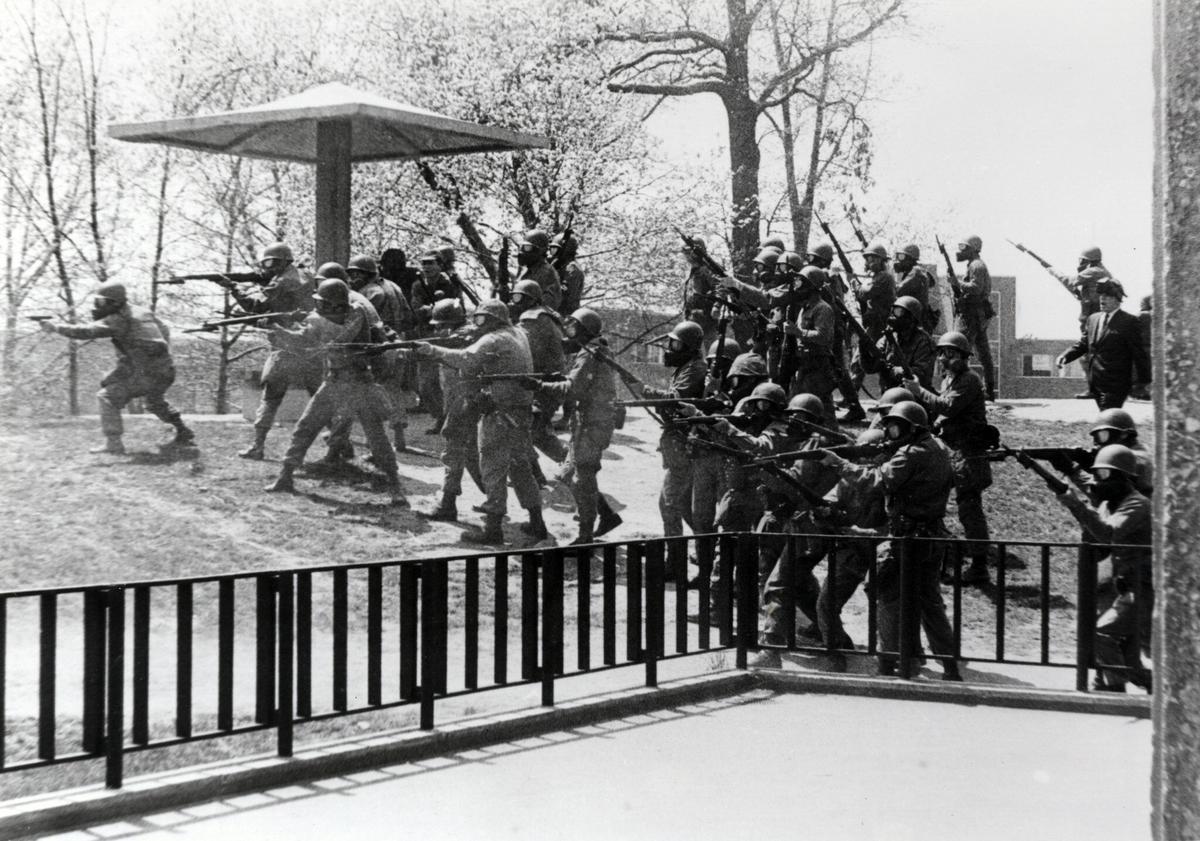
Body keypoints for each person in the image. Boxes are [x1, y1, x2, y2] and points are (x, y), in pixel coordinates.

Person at [821, 401, 962, 681]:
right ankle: (948, 666)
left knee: (885, 593)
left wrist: (840, 464)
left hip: (908, 539)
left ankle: (889, 664)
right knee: (929, 603)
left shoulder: (912, 453)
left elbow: (877, 480)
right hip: (932, 535)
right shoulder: (938, 448)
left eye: (895, 427)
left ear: (911, 427)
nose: (890, 433)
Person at [411, 300, 546, 545]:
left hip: (500, 412)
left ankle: (493, 529)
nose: (477, 324)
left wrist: (431, 350)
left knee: (492, 466)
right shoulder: (517, 333)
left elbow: (466, 358)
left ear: (493, 320)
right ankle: (537, 523)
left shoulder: (494, 339)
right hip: (521, 410)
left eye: (481, 319)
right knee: (520, 466)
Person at [264, 278, 407, 505]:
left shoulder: (356, 313)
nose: (318, 307)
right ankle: (285, 477)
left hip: (360, 383)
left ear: (334, 304)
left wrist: (313, 320)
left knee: (376, 437)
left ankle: (395, 487)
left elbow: (341, 338)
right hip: (334, 381)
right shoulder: (321, 319)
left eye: (322, 303)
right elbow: (305, 341)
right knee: (305, 427)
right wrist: (279, 331)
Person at [39, 281, 194, 454]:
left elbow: (87, 332)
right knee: (153, 401)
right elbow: (164, 330)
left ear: (116, 302)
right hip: (165, 370)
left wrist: (55, 327)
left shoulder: (120, 318)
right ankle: (183, 432)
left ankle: (113, 444)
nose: (98, 306)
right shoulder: (141, 312)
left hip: (146, 372)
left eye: (102, 302)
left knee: (107, 397)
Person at [1049, 444, 1152, 693]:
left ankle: (1115, 691)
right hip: (1127, 586)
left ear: (1123, 478)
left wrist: (1072, 501)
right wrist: (1066, 470)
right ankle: (1153, 686)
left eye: (1104, 475)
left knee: (1102, 634)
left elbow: (1107, 533)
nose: (1098, 481)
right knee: (1130, 662)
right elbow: (1088, 486)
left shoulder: (1136, 504)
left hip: (1144, 586)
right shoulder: (1112, 500)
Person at [903, 331, 993, 585]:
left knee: (969, 508)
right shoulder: (949, 380)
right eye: (941, 353)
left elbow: (948, 407)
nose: (944, 359)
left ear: (964, 357)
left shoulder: (969, 380)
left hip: (968, 453)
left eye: (950, 354)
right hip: (952, 450)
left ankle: (979, 566)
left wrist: (918, 391)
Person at [533, 308, 623, 544]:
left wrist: (540, 385)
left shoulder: (591, 353)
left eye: (574, 327)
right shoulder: (592, 350)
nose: (569, 332)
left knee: (582, 478)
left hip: (593, 424)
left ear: (584, 330)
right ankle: (605, 515)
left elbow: (573, 389)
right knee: (568, 474)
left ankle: (585, 536)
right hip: (589, 422)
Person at [232, 242, 322, 460]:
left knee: (270, 397)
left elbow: (257, 306)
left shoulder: (281, 281)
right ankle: (340, 445)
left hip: (284, 346)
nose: (268, 267)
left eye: (271, 262)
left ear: (284, 262)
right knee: (320, 398)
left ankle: (257, 446)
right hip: (309, 344)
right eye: (266, 263)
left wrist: (234, 290)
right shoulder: (306, 276)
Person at [638, 320, 708, 539]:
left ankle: (674, 565)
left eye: (676, 345)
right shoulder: (687, 367)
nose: (670, 349)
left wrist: (644, 390)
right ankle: (707, 549)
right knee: (685, 507)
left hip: (686, 444)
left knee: (669, 504)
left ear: (689, 348)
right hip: (680, 444)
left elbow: (675, 400)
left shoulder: (695, 368)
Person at [422, 300, 486, 522]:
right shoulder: (464, 336)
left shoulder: (465, 337)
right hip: (463, 399)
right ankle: (494, 499)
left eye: (440, 325)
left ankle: (448, 504)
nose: (437, 330)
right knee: (468, 453)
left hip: (465, 399)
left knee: (453, 449)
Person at [347, 254, 415, 452]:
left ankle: (374, 440)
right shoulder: (394, 287)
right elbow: (409, 315)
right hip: (398, 341)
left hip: (380, 345)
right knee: (394, 390)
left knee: (373, 389)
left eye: (355, 274)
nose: (352, 278)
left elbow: (365, 320)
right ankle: (399, 437)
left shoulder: (370, 292)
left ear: (366, 274)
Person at [1056, 279, 1151, 410]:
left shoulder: (1129, 321)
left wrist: (1144, 382)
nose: (1102, 299)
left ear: (1117, 299)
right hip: (1096, 383)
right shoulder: (1093, 319)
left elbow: (1138, 353)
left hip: (1117, 384)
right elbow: (1084, 344)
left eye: (1107, 296)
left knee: (1108, 418)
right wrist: (1065, 356)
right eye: (1101, 295)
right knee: (1108, 420)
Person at [509, 279, 568, 481]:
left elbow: (520, 347)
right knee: (533, 430)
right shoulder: (547, 315)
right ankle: (541, 473)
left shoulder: (532, 318)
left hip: (542, 384)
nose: (514, 302)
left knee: (531, 430)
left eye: (518, 297)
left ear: (529, 299)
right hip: (550, 381)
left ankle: (568, 464)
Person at [807, 242, 867, 423]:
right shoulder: (827, 276)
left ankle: (854, 407)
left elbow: (832, 302)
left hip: (831, 328)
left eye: (812, 258)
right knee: (835, 367)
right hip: (830, 326)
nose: (809, 261)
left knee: (837, 367)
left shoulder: (828, 277)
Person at [786, 265, 840, 430]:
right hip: (805, 361)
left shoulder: (823, 308)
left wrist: (798, 332)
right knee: (799, 400)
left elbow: (823, 337)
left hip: (818, 362)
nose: (797, 285)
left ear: (811, 285)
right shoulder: (805, 308)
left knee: (822, 402)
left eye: (801, 281)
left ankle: (834, 437)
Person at [849, 241, 896, 401]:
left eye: (874, 259)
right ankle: (851, 397)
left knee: (883, 362)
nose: (870, 262)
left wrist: (854, 283)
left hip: (882, 326)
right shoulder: (874, 277)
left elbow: (866, 293)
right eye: (868, 259)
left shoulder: (885, 277)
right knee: (858, 361)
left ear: (882, 261)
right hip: (873, 325)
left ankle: (886, 399)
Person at [953, 235, 997, 401]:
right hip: (976, 315)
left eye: (964, 248)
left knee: (959, 348)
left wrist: (957, 283)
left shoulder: (976, 265)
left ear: (973, 249)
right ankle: (989, 390)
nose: (960, 251)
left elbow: (976, 288)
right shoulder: (974, 264)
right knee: (983, 354)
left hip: (972, 315)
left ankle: (961, 388)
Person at [871, 296, 936, 391]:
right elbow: (872, 366)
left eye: (899, 312)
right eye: (893, 311)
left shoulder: (924, 341)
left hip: (915, 397)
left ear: (911, 318)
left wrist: (897, 371)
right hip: (889, 394)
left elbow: (921, 374)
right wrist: (864, 350)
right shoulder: (888, 337)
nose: (893, 316)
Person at [1047, 246, 1112, 330]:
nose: (1080, 263)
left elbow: (1069, 281)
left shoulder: (1093, 271)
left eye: (1082, 260)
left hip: (1093, 313)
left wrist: (1053, 271)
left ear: (1088, 261)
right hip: (1100, 313)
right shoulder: (1103, 271)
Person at [681, 235, 722, 342]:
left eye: (688, 252)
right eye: (685, 253)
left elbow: (720, 286)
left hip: (707, 321)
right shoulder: (691, 270)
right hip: (691, 319)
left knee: (710, 354)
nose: (686, 256)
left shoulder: (708, 268)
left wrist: (717, 306)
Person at [893, 244, 938, 332]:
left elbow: (898, 291)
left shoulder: (916, 272)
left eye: (902, 257)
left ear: (910, 259)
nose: (898, 260)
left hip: (915, 322)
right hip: (916, 320)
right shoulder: (917, 272)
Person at [515, 230, 562, 313]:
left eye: (527, 247)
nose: (522, 251)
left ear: (539, 250)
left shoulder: (545, 272)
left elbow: (545, 307)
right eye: (522, 246)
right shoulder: (528, 270)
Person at [549, 231, 585, 317]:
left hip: (565, 314)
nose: (552, 251)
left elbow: (566, 294)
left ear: (565, 249)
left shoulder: (572, 269)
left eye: (555, 248)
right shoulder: (557, 265)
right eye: (551, 248)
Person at [1132, 295, 1152, 400]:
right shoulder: (1156, 315)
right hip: (1153, 348)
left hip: (1141, 347)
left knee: (1138, 372)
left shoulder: (1141, 315)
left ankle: (1139, 392)